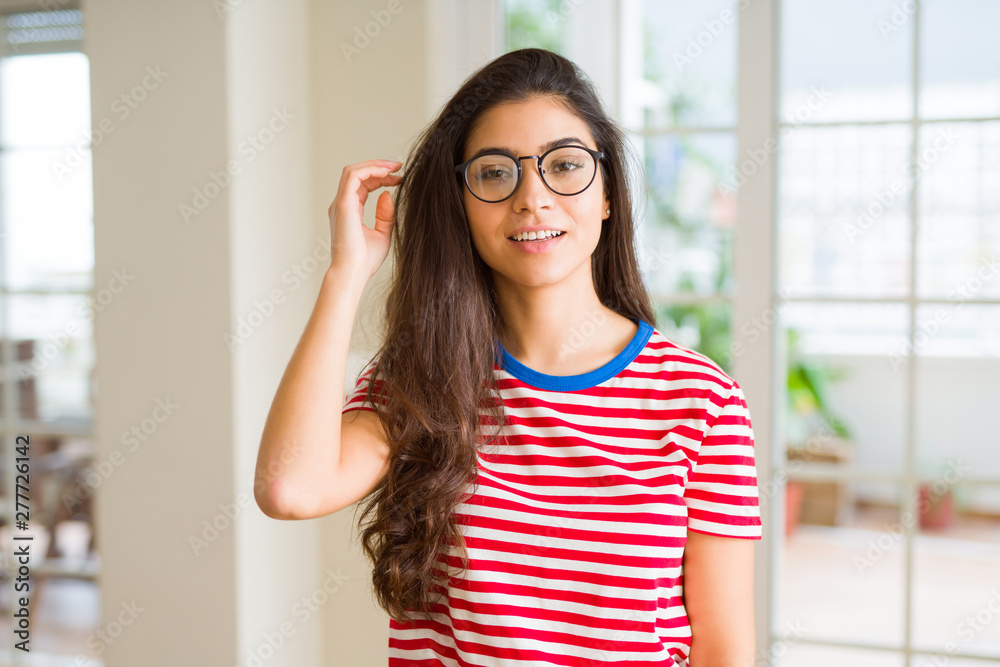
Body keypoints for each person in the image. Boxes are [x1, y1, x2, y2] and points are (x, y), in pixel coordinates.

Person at [255, 47, 762, 666]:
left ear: (606, 195)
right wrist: (347, 272)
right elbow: (288, 489)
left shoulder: (701, 401)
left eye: (565, 166)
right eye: (496, 173)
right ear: (461, 205)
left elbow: (724, 652)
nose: (532, 198)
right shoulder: (421, 381)